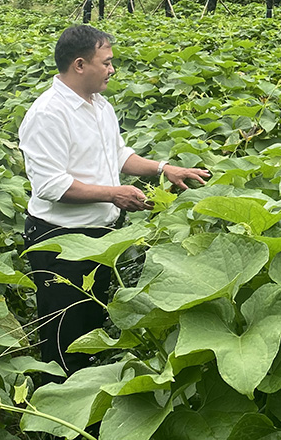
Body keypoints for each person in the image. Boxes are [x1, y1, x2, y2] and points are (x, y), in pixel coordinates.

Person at [19, 25, 210, 377]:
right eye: (106, 62)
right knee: (63, 336)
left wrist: (164, 168)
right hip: (60, 242)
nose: (112, 69)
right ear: (79, 65)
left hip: (101, 236)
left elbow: (118, 155)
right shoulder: (48, 114)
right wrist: (114, 193)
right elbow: (50, 185)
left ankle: (84, 404)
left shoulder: (99, 105)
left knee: (89, 325)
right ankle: (57, 417)